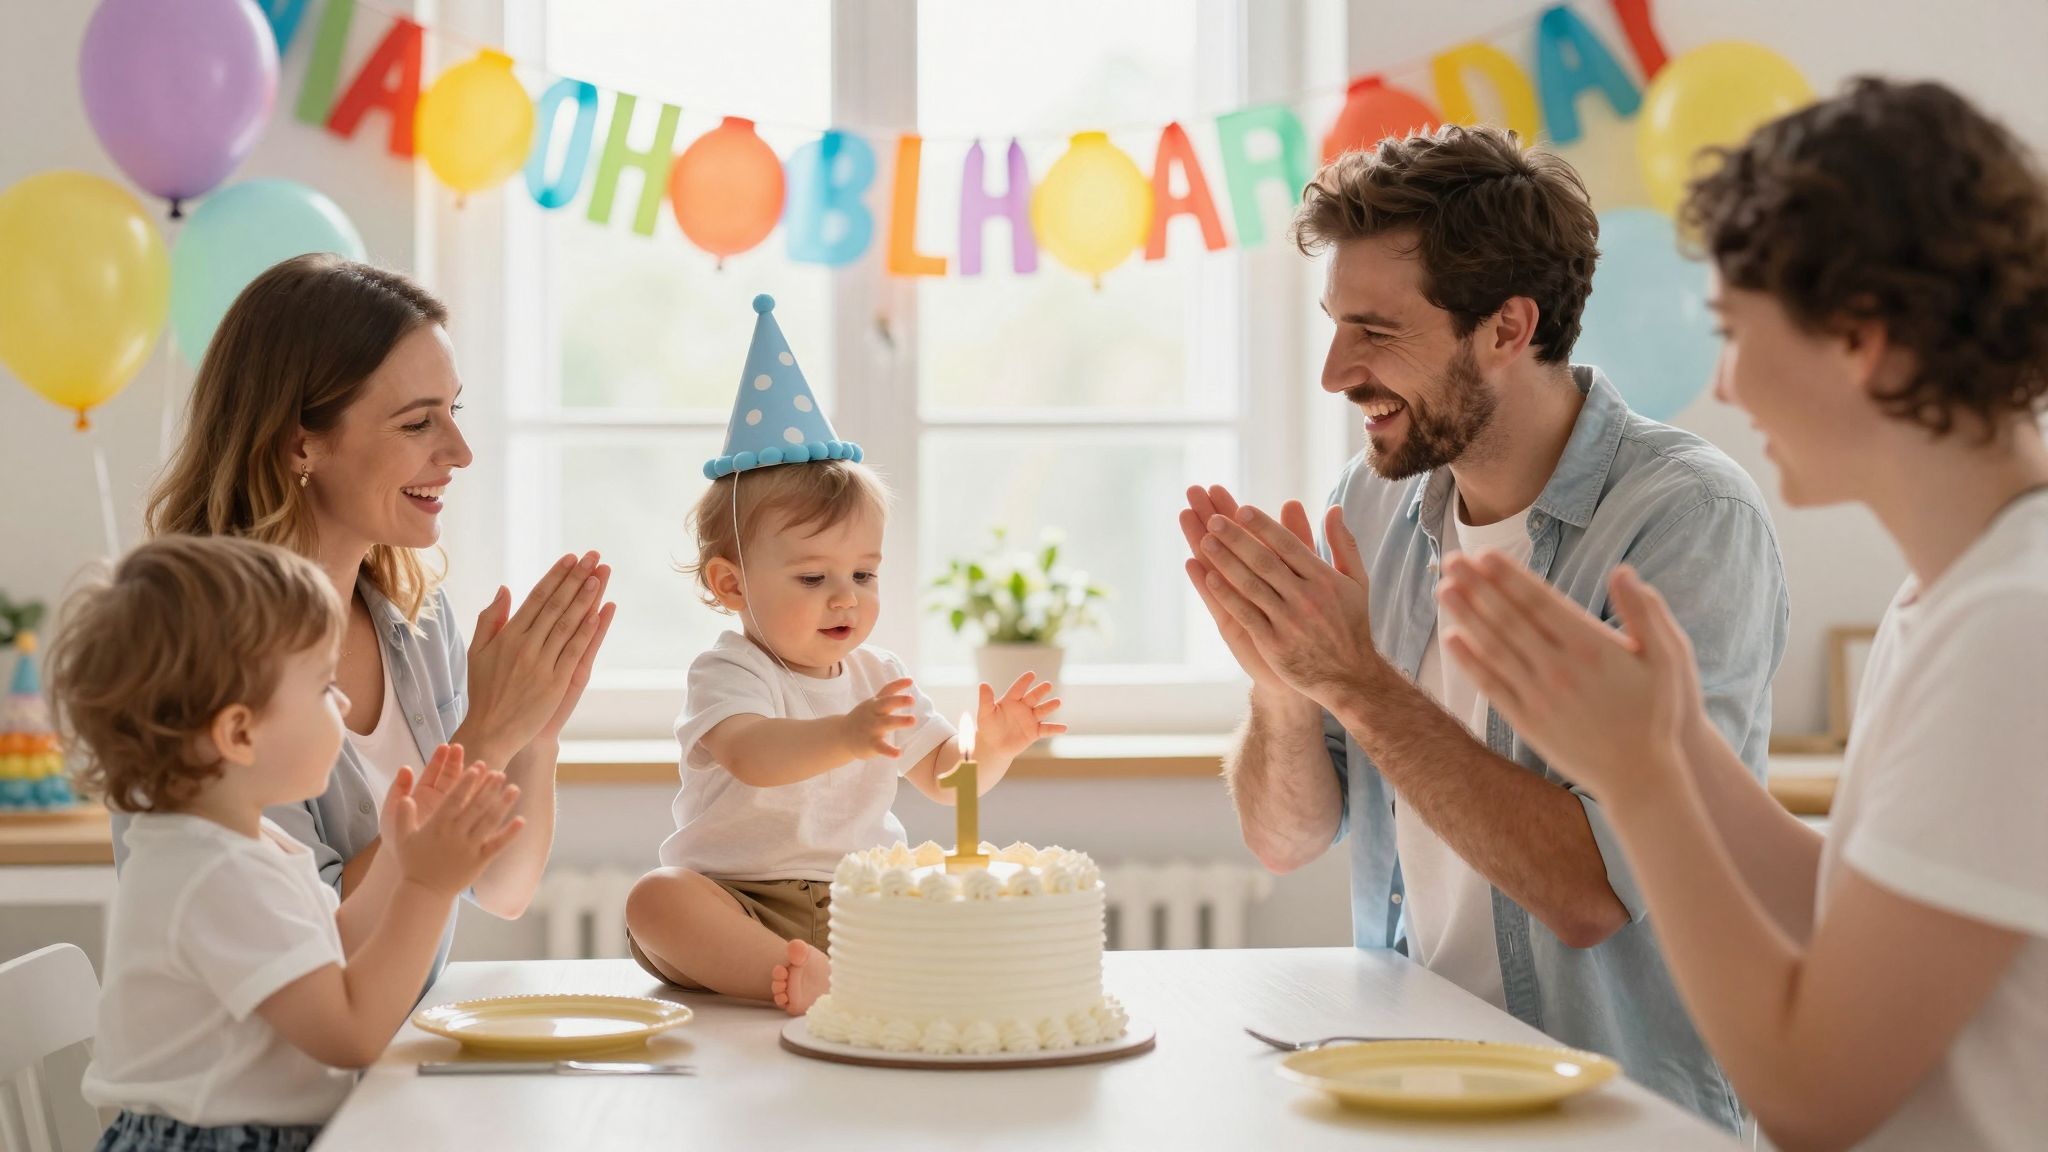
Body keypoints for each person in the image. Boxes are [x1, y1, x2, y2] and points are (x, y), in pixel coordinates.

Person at [1437, 78, 2048, 1152]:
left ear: (1857, 337)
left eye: (1733, 333)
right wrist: (1675, 742)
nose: (1723, 385)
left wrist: (1639, 783)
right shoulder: (1957, 596)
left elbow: (1812, 1096)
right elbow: (1844, 916)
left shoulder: (2013, 630)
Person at [1181, 124, 1786, 1126]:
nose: (1334, 372)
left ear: (1507, 328)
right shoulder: (1371, 500)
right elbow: (1285, 840)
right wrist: (1281, 686)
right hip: (1409, 1077)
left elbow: (1594, 894)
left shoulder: (1685, 520)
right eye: (1334, 326)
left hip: (1620, 1114)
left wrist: (1357, 683)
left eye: (1375, 332)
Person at [129, 254, 614, 986]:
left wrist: (533, 733)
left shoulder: (414, 620)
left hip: (390, 1043)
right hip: (286, 1052)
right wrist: (486, 735)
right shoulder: (195, 655)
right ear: (301, 443)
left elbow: (500, 889)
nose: (460, 453)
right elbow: (314, 956)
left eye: (454, 412)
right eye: (418, 422)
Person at [625, 297, 1064, 1014]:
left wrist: (994, 748)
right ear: (731, 585)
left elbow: (946, 780)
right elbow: (752, 755)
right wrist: (848, 734)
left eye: (863, 574)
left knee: (955, 894)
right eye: (812, 578)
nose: (846, 598)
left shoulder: (879, 676)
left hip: (858, 901)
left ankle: (839, 972)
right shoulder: (730, 670)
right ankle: (788, 972)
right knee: (657, 901)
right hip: (734, 898)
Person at [50, 535, 522, 1152]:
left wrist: (400, 857)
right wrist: (427, 886)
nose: (343, 701)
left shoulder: (243, 844)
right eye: (324, 687)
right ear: (240, 734)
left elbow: (335, 947)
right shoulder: (213, 873)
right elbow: (350, 1034)